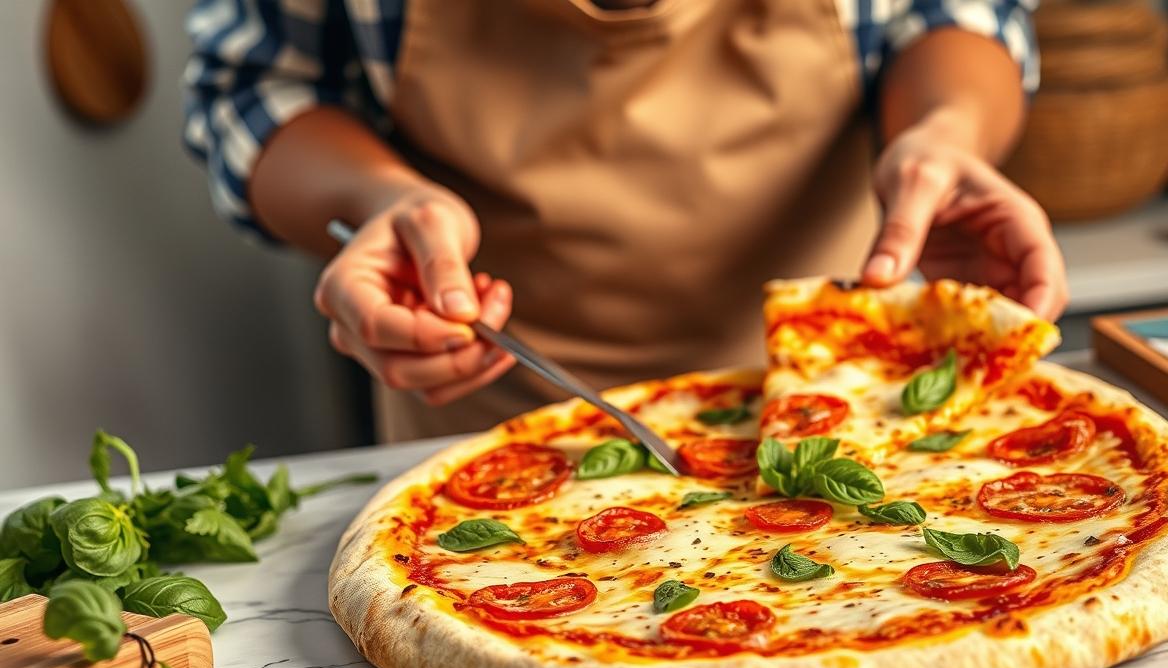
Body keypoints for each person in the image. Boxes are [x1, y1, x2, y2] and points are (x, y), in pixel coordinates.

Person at [184, 0, 1067, 440]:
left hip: (860, 411)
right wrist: (380, 199)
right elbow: (259, 87)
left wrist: (945, 133)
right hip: (492, 418)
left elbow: (957, 14)